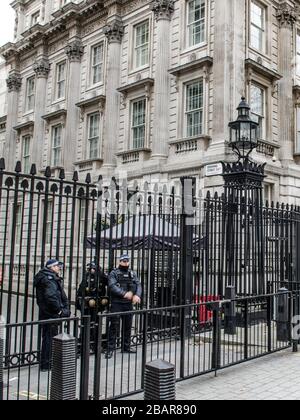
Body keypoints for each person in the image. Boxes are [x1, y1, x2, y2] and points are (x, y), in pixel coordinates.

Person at [34, 259, 70, 372]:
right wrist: (59, 310)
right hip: (50, 313)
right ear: (51, 267)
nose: (59, 268)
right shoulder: (48, 278)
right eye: (57, 266)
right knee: (50, 338)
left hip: (47, 312)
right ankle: (47, 363)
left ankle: (48, 362)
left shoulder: (46, 276)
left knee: (49, 337)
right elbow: (51, 296)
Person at [106, 255, 142, 359]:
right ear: (119, 261)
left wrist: (137, 295)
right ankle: (110, 348)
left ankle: (126, 346)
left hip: (128, 304)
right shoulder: (114, 273)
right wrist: (124, 294)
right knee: (113, 326)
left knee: (127, 326)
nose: (125, 263)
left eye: (127, 261)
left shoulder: (132, 273)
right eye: (123, 261)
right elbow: (112, 286)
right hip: (117, 303)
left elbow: (138, 285)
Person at [76, 262, 108, 351]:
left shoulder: (101, 277)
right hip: (86, 306)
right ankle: (83, 344)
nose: (91, 271)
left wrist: (101, 273)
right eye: (90, 269)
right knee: (85, 324)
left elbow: (108, 282)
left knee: (96, 324)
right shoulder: (86, 277)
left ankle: (95, 344)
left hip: (97, 306)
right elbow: (80, 291)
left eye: (93, 269)